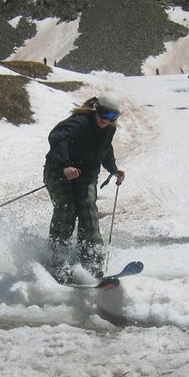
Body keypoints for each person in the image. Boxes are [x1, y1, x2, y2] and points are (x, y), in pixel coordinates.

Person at [44, 93, 126, 282]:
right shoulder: (80, 121)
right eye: (104, 114)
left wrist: (113, 169)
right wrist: (65, 165)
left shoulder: (109, 129)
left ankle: (92, 261)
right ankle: (59, 262)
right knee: (67, 209)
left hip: (86, 175)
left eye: (112, 116)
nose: (106, 120)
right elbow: (56, 138)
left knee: (88, 209)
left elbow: (105, 149)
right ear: (96, 109)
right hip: (59, 172)